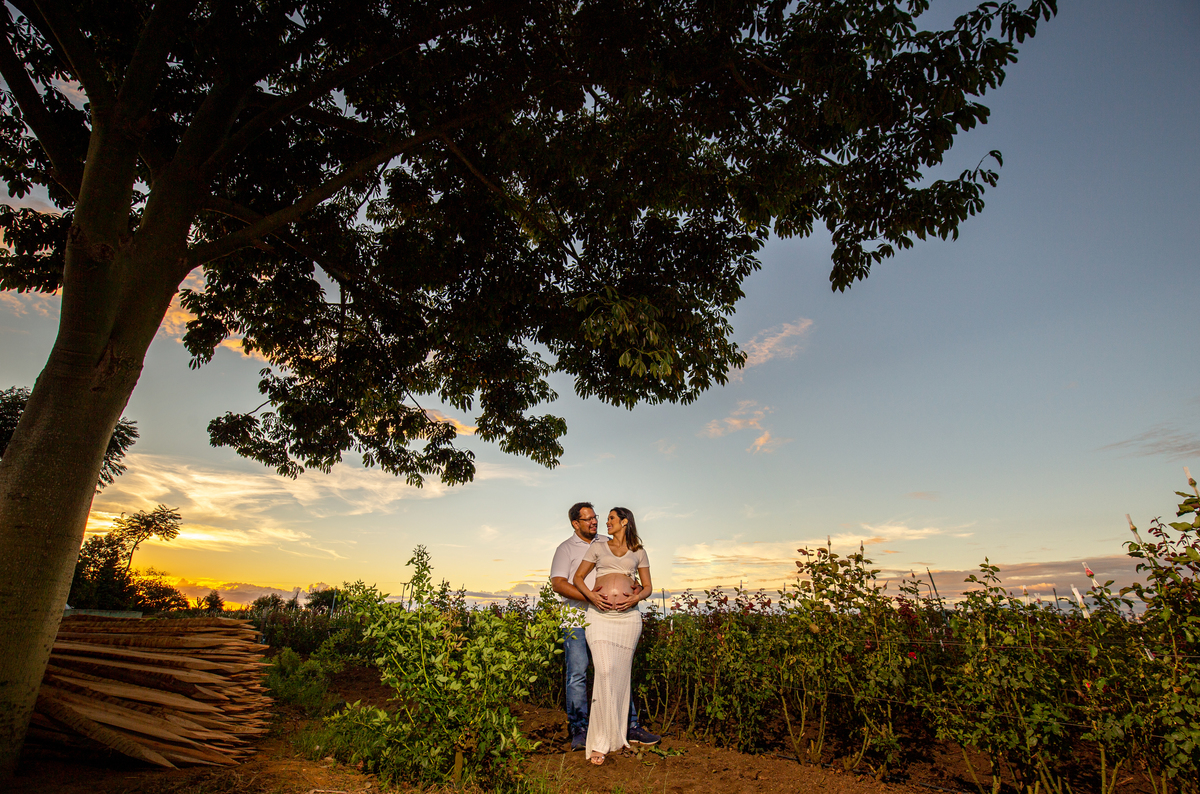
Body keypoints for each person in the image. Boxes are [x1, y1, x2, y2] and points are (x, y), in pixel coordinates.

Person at [549, 502, 659, 753]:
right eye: (588, 520)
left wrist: (631, 596)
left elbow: (643, 580)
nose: (595, 522)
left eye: (596, 518)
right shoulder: (565, 548)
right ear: (575, 524)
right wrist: (590, 597)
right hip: (579, 617)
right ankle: (580, 730)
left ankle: (629, 725)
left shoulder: (606, 542)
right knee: (578, 673)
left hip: (612, 615)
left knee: (616, 669)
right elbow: (558, 583)